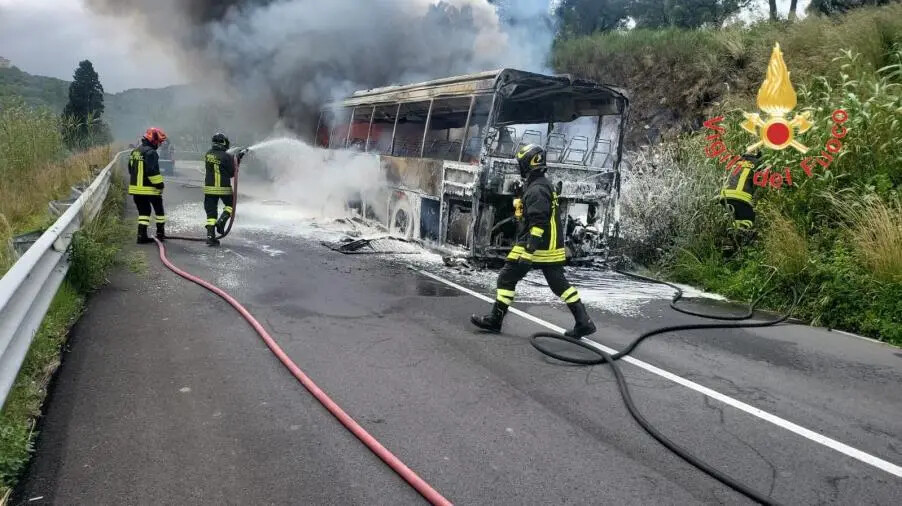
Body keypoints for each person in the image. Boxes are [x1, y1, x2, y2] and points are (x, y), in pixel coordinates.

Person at [471, 144, 596, 338]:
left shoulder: (537, 189)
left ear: (527, 164)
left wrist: (529, 251)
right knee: (558, 283)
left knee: (507, 277)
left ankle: (495, 319)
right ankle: (584, 321)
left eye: (520, 163)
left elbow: (539, 224)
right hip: (550, 244)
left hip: (537, 244)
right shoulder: (541, 184)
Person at [128, 127, 167, 243]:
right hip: (150, 189)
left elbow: (131, 169)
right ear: (153, 139)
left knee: (144, 213)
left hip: (136, 190)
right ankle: (160, 234)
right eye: (159, 142)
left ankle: (141, 236)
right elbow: (152, 171)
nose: (159, 144)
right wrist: (160, 184)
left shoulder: (135, 151)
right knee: (159, 212)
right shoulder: (151, 153)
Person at [203, 132, 237, 246]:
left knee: (211, 213)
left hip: (209, 188)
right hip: (224, 188)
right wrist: (237, 160)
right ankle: (222, 222)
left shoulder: (208, 154)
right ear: (223, 143)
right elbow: (232, 173)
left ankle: (210, 237)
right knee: (230, 205)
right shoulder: (227, 156)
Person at [719, 151, 760, 231]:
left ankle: (734, 234)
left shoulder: (738, 161)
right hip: (741, 197)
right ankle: (743, 235)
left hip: (725, 197)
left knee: (737, 217)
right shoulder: (758, 164)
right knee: (749, 217)